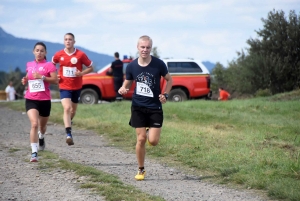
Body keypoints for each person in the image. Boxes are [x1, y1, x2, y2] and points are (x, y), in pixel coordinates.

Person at [118, 35, 173, 181]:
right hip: (138, 106)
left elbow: (169, 80)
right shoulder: (131, 66)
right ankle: (141, 169)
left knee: (153, 141)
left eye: (148, 47)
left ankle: (150, 132)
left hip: (155, 106)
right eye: (142, 47)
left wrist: (165, 94)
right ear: (137, 48)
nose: (145, 50)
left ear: (151, 48)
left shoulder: (158, 64)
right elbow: (127, 83)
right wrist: (123, 89)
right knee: (141, 138)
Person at [52, 33, 94, 146]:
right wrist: (56, 75)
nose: (68, 41)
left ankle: (68, 122)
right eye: (66, 39)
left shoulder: (80, 54)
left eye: (70, 39)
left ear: (74, 41)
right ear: (63, 41)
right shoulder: (59, 54)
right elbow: (51, 65)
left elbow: (91, 67)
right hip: (64, 86)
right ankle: (68, 134)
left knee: (72, 111)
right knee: (67, 108)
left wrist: (81, 73)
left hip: (76, 86)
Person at [21, 42, 58, 162]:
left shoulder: (49, 65)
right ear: (33, 52)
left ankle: (41, 136)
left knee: (42, 127)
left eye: (42, 51)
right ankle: (34, 153)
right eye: (37, 50)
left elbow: (55, 80)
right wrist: (25, 79)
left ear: (45, 53)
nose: (39, 53)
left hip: (45, 100)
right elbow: (28, 76)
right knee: (34, 124)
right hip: (31, 98)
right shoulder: (29, 64)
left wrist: (42, 77)